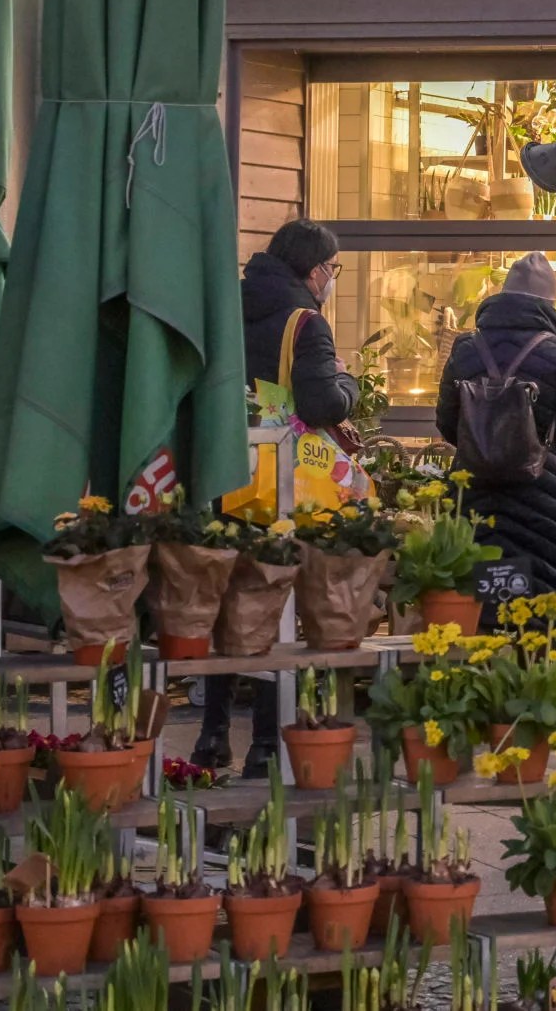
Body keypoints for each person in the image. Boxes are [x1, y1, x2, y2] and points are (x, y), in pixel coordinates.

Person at [201, 218, 359, 777]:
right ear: (316, 271)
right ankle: (266, 745)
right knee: (276, 605)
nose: (331, 279)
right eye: (332, 270)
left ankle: (211, 736)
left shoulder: (225, 308)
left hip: (224, 474)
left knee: (226, 601)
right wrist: (347, 382)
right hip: (282, 484)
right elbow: (321, 405)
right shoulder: (305, 322)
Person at [434, 254, 556, 598]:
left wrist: (483, 445)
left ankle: (480, 647)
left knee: (475, 592)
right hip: (537, 494)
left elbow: (447, 423)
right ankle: (531, 651)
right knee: (537, 595)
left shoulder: (466, 348)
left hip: (473, 491)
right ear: (550, 305)